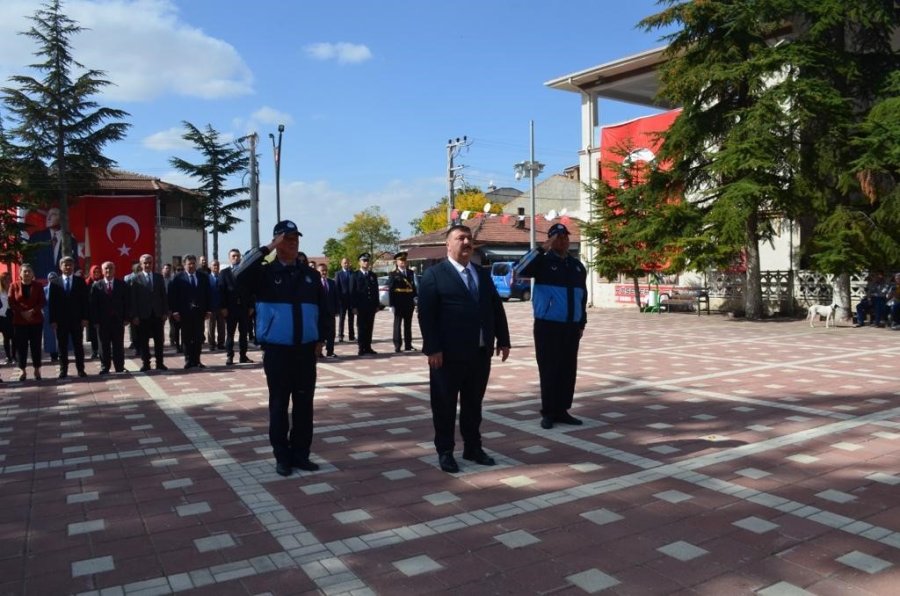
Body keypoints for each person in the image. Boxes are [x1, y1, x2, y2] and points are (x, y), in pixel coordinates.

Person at [232, 220, 327, 477]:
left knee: (304, 405)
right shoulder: (263, 274)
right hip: (277, 351)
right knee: (279, 405)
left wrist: (321, 340)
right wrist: (265, 249)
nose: (294, 241)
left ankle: (301, 454)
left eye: (296, 237)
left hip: (306, 351)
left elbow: (324, 310)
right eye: (287, 238)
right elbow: (237, 275)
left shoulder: (311, 275)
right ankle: (282, 457)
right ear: (276, 242)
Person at [417, 224, 511, 473]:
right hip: (446, 356)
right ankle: (445, 451)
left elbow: (495, 308)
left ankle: (473, 447)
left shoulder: (481, 274)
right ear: (448, 244)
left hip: (479, 353)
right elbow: (427, 316)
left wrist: (503, 339)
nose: (466, 242)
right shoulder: (434, 275)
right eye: (460, 238)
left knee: (473, 404)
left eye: (469, 238)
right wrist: (433, 348)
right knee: (445, 404)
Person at [514, 222, 588, 429]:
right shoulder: (542, 262)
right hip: (548, 325)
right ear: (550, 239)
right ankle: (548, 412)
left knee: (567, 369)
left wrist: (582, 322)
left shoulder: (576, 266)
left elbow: (582, 296)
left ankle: (562, 410)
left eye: (565, 237)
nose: (563, 240)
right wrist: (542, 248)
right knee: (549, 369)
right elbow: (519, 269)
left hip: (571, 326)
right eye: (558, 237)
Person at [49, 256, 90, 379]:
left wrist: (85, 318)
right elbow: (52, 303)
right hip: (61, 321)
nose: (68, 267)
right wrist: (53, 320)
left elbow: (85, 302)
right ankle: (63, 370)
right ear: (61, 267)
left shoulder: (80, 281)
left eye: (70, 265)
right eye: (65, 265)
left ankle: (81, 370)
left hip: (77, 320)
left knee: (78, 346)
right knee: (62, 347)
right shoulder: (55, 283)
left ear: (73, 266)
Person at [168, 254, 211, 370]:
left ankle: (197, 360)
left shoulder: (203, 277)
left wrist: (208, 310)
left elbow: (208, 294)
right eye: (189, 264)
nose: (192, 266)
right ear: (184, 264)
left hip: (199, 312)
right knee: (186, 337)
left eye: (193, 263)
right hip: (184, 313)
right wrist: (175, 311)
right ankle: (188, 360)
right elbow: (173, 296)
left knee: (198, 337)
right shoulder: (177, 278)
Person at [129, 253, 169, 372]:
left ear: (153, 264)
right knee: (144, 341)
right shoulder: (135, 279)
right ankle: (146, 363)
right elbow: (133, 299)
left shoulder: (158, 277)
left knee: (159, 340)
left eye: (149, 262)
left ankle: (160, 363)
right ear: (141, 265)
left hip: (157, 314)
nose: (147, 265)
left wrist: (165, 311)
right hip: (143, 315)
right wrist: (134, 315)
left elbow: (163, 296)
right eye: (145, 263)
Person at [90, 261, 129, 374]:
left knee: (118, 345)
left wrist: (126, 317)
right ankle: (105, 367)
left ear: (114, 270)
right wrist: (95, 320)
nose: (108, 271)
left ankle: (119, 367)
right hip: (102, 322)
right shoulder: (97, 286)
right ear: (102, 271)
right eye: (106, 269)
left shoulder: (121, 284)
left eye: (111, 268)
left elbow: (126, 302)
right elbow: (93, 305)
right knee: (103, 346)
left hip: (118, 320)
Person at [9, 263, 46, 381]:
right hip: (19, 321)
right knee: (21, 347)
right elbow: (11, 302)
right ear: (20, 274)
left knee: (36, 346)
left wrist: (32, 311)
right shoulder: (14, 286)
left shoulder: (38, 286)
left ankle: (37, 369)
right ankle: (22, 370)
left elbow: (42, 302)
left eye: (29, 271)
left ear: (33, 274)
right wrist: (22, 312)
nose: (27, 273)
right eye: (24, 271)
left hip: (35, 320)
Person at [219, 248, 254, 365]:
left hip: (244, 308)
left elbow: (251, 291)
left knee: (244, 334)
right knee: (230, 334)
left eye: (238, 256)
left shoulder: (246, 272)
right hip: (230, 309)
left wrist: (251, 306)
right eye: (233, 256)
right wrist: (223, 307)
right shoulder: (224, 273)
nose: (236, 258)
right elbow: (221, 291)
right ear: (229, 258)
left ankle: (243, 356)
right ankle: (230, 356)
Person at [26, 207, 79, 280]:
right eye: (48, 214)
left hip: (62, 283)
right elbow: (28, 259)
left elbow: (75, 262)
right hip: (40, 282)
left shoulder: (71, 241)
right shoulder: (36, 237)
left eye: (53, 214)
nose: (48, 217)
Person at [351, 252, 380, 355]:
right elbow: (352, 292)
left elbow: (376, 291)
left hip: (371, 306)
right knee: (361, 327)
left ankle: (368, 347)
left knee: (369, 327)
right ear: (359, 262)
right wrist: (353, 306)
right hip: (360, 306)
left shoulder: (373, 275)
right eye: (364, 260)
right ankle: (361, 347)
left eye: (367, 261)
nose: (366, 263)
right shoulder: (355, 275)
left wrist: (377, 305)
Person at [388, 251, 417, 352]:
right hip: (398, 302)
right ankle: (397, 345)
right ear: (396, 262)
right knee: (397, 325)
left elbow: (413, 288)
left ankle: (408, 345)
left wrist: (415, 300)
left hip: (409, 302)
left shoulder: (410, 273)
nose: (403, 262)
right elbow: (391, 290)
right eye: (400, 260)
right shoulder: (393, 274)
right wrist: (391, 305)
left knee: (408, 325)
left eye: (404, 260)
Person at [317, 262, 339, 358]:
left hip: (330, 312)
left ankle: (330, 351)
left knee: (331, 333)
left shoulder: (332, 282)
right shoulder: (315, 283)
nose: (324, 272)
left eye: (325, 270)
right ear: (318, 272)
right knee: (320, 333)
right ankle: (319, 352)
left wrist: (337, 310)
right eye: (322, 271)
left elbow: (336, 297)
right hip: (319, 313)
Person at [206, 259, 226, 351]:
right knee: (211, 327)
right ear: (210, 267)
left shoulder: (222, 278)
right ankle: (211, 344)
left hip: (221, 307)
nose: (216, 267)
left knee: (221, 327)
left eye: (217, 265)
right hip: (210, 307)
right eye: (214, 265)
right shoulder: (207, 278)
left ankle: (221, 343)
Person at [335, 257, 355, 343]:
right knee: (342, 319)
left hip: (351, 300)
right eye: (344, 263)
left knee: (351, 318)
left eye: (347, 262)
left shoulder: (352, 273)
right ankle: (340, 336)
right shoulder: (338, 274)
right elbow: (337, 287)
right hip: (342, 300)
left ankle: (351, 335)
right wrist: (338, 300)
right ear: (341, 264)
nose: (346, 264)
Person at [86, 265, 103, 359]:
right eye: (95, 272)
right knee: (93, 334)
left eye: (98, 272)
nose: (96, 274)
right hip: (91, 313)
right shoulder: (87, 283)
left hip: (102, 312)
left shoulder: (103, 282)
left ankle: (103, 350)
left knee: (103, 333)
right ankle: (94, 350)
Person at [42, 272, 59, 363]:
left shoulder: (61, 288)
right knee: (50, 336)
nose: (52, 280)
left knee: (61, 335)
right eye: (51, 278)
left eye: (54, 278)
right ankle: (53, 354)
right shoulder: (44, 290)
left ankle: (61, 352)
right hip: (48, 315)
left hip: (60, 315)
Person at [0, 271, 13, 365]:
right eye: (4, 279)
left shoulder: (13, 288)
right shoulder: (0, 291)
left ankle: (14, 356)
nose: (7, 281)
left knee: (14, 336)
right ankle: (8, 356)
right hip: (2, 315)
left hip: (12, 313)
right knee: (6, 337)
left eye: (8, 279)